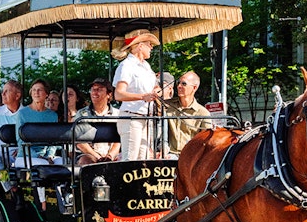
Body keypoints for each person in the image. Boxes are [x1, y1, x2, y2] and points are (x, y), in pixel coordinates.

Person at [112, 29, 160, 160]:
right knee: (130, 159)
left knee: (143, 159)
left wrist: (156, 90)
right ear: (140, 46)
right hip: (131, 117)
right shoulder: (126, 66)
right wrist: (143, 97)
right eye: (149, 44)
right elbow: (119, 94)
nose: (151, 47)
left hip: (146, 117)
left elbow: (152, 87)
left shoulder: (146, 66)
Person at [14, 79, 60, 211]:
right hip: (26, 155)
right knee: (43, 165)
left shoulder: (52, 115)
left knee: (64, 163)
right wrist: (39, 156)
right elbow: (20, 140)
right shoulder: (23, 114)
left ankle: (63, 198)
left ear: (46, 94)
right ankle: (43, 204)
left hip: (45, 155)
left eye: (39, 90)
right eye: (34, 90)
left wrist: (49, 155)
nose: (36, 92)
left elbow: (54, 139)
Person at [163, 71, 212, 158]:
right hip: (170, 155)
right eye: (178, 83)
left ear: (194, 88)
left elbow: (206, 140)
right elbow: (154, 101)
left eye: (184, 84)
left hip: (191, 156)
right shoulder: (168, 105)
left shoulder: (203, 112)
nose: (179, 86)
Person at [74, 78, 121, 165]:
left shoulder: (118, 114)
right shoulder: (81, 114)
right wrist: (97, 157)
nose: (94, 92)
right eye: (92, 89)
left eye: (99, 89)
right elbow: (79, 142)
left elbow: (118, 141)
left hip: (112, 155)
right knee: (86, 161)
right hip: (89, 155)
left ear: (109, 94)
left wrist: (110, 156)